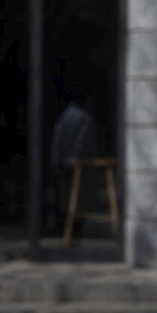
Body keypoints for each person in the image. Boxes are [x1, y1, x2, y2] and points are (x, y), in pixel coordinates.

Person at [49, 92, 97, 231]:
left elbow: (57, 140)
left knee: (64, 196)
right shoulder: (84, 118)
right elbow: (82, 142)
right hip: (77, 163)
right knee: (76, 197)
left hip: (63, 162)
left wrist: (56, 160)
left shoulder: (64, 117)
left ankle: (63, 226)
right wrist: (76, 157)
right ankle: (73, 227)